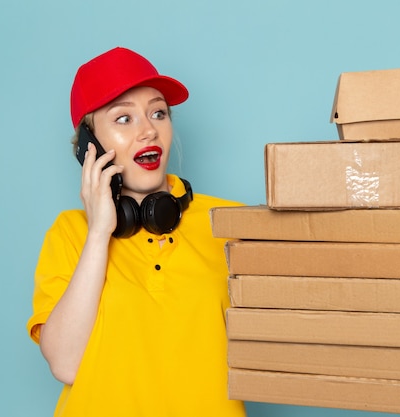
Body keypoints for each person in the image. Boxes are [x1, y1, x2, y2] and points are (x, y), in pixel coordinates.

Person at [27, 46, 246, 417]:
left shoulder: (230, 222)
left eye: (158, 113)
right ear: (89, 148)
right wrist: (99, 233)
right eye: (123, 119)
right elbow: (65, 363)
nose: (149, 130)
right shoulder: (70, 233)